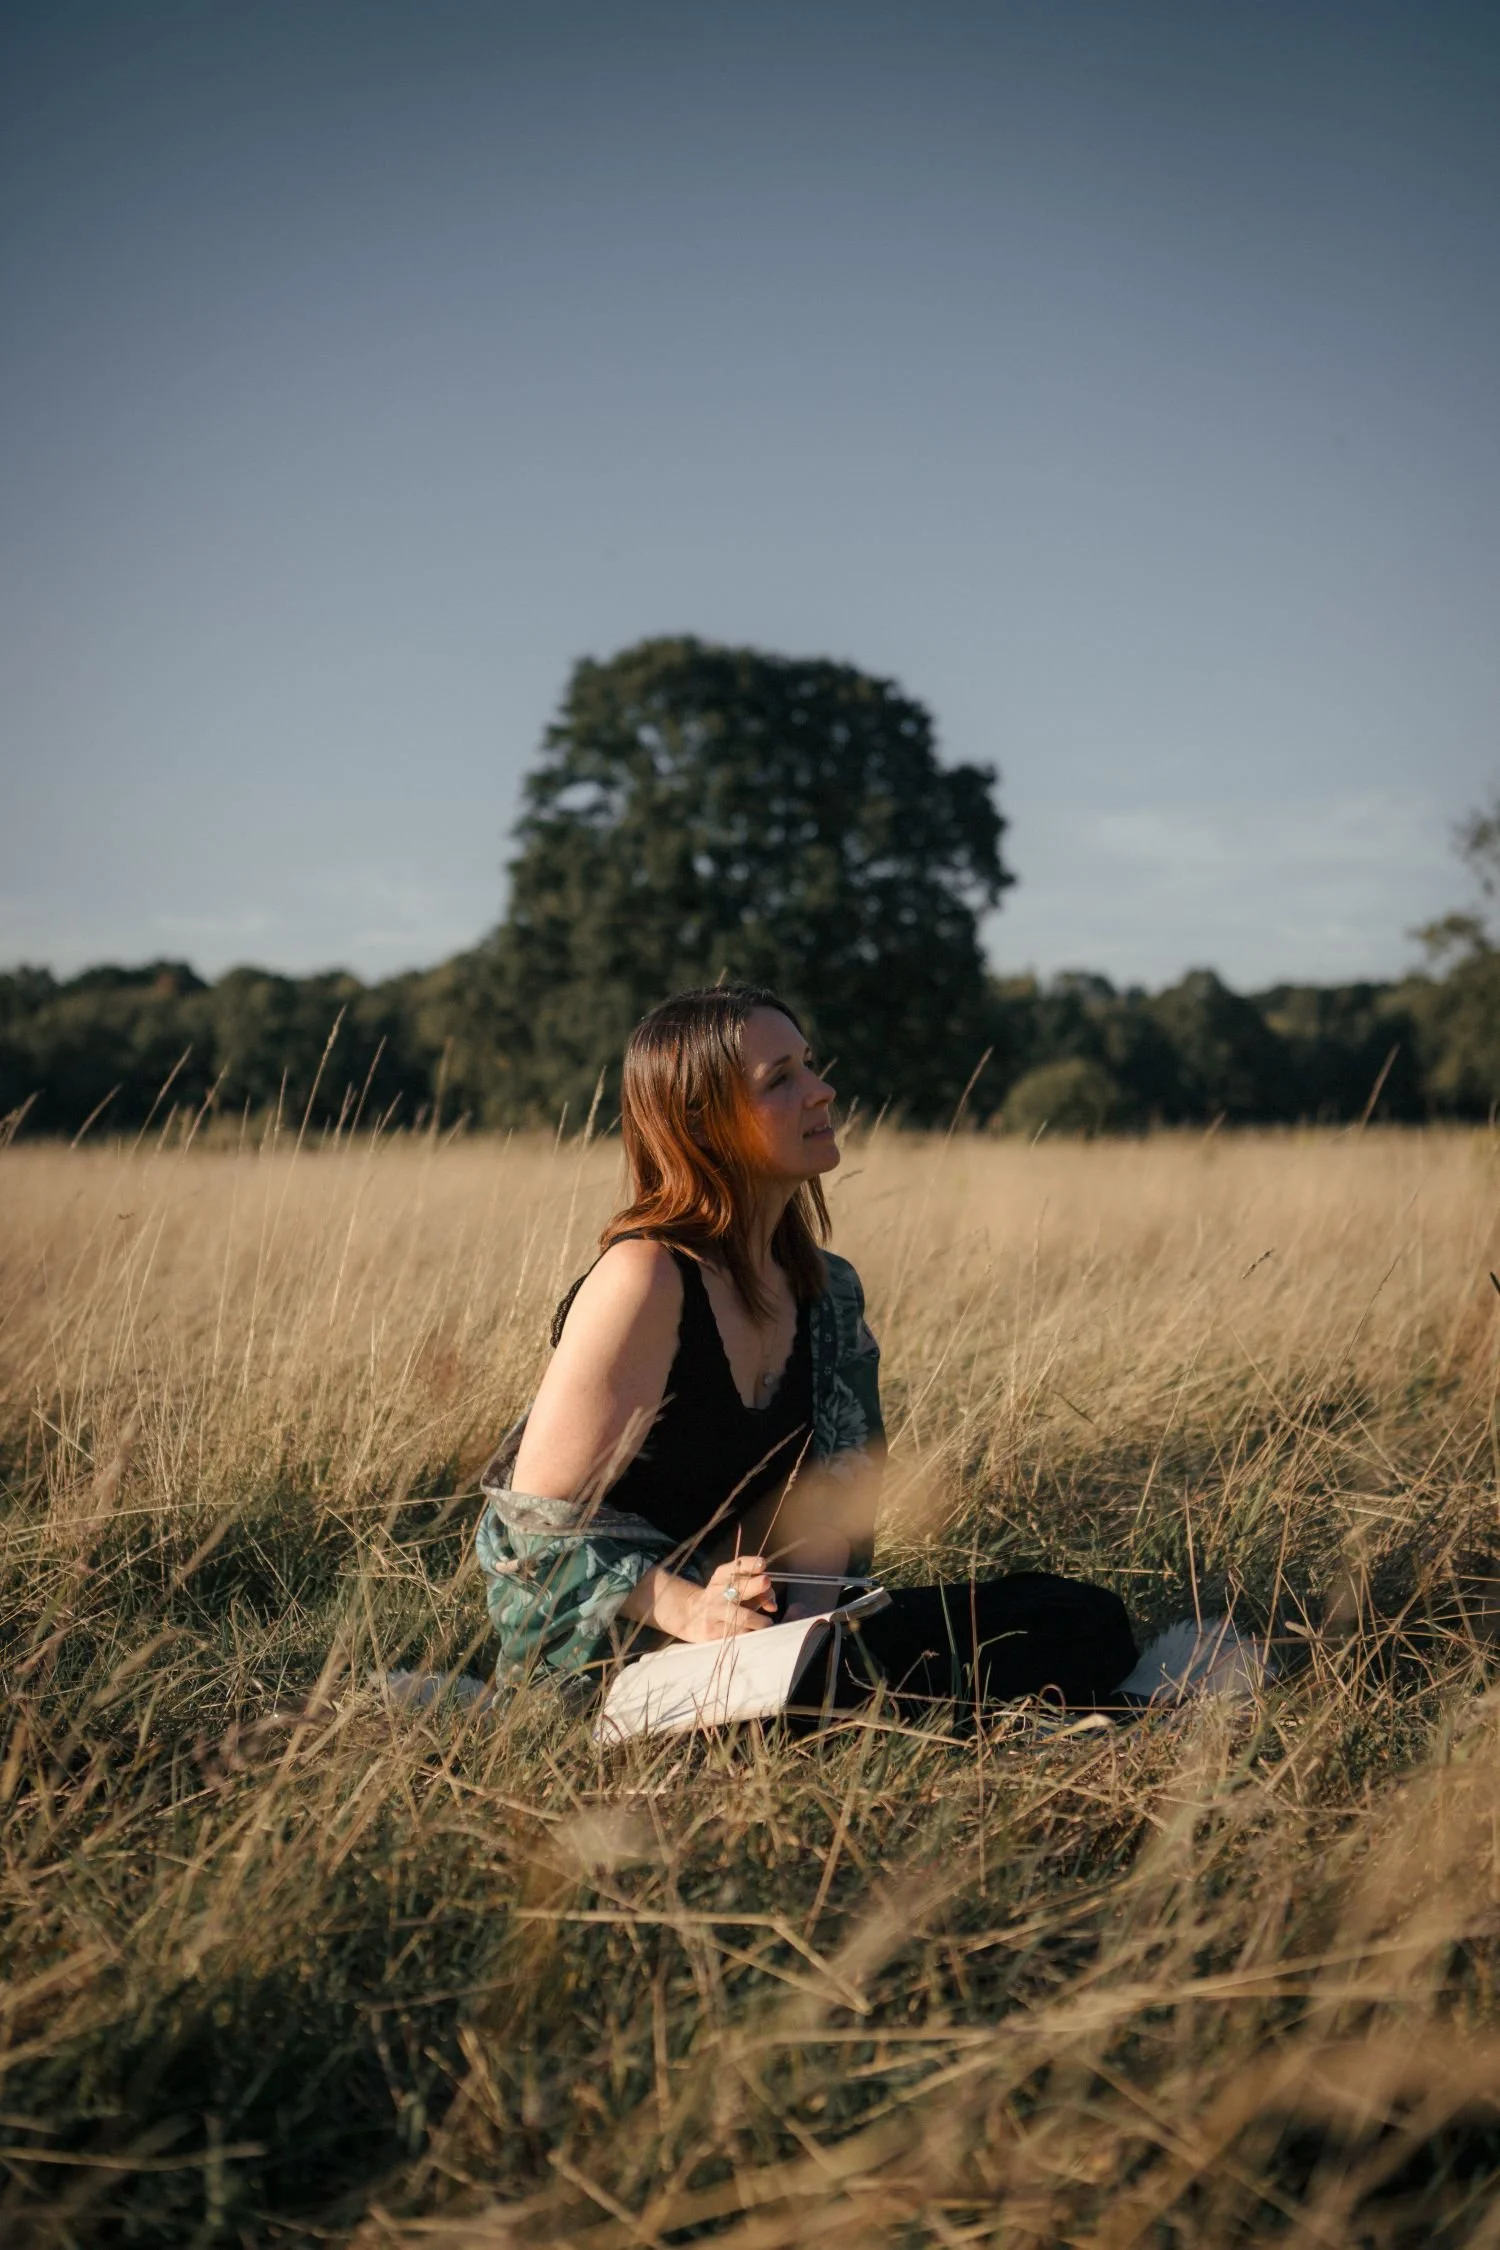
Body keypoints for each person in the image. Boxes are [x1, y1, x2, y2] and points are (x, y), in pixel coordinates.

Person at [475, 986, 1138, 1723]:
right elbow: (530, 1530)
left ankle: (832, 1702)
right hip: (628, 1651)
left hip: (769, 1633)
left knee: (1076, 1619)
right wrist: (695, 1611)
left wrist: (807, 1617)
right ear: (703, 1123)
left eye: (810, 1067)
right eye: (780, 1079)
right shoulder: (647, 1276)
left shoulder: (830, 1291)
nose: (822, 1092)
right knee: (820, 1701)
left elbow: (840, 1486)